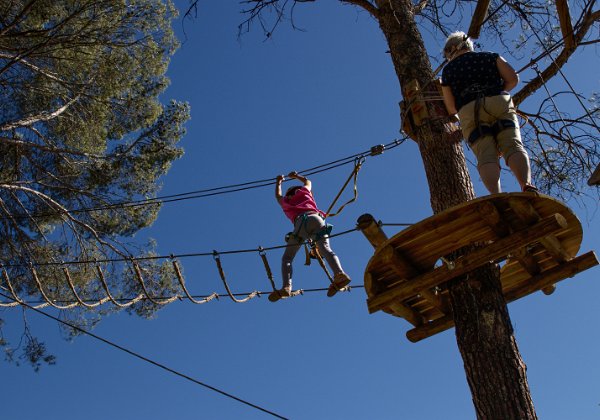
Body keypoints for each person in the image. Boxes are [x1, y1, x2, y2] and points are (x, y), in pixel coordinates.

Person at [440, 31, 538, 194]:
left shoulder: (448, 71)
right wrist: (496, 91)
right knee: (512, 144)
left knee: (485, 155)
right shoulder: (490, 56)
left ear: (451, 49)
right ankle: (526, 185)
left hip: (469, 110)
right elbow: (513, 79)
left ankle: (496, 195)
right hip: (498, 101)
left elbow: (451, 108)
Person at [269, 171, 351, 302]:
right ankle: (339, 274)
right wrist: (296, 176)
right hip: (316, 218)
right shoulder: (304, 192)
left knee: (287, 258)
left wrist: (279, 182)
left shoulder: (286, 201)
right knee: (325, 249)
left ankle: (286, 287)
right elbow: (308, 181)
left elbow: (278, 196)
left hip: (301, 222)